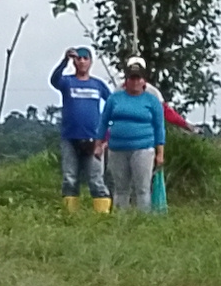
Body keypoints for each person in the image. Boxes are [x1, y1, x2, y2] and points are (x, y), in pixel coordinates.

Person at [47, 47, 112, 212]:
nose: (82, 61)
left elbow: (113, 105)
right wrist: (64, 61)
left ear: (90, 62)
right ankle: (70, 214)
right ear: (74, 62)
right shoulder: (67, 82)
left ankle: (102, 216)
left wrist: (107, 136)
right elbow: (54, 80)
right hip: (70, 138)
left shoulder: (98, 85)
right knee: (69, 178)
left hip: (93, 140)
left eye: (85, 58)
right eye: (79, 58)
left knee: (96, 180)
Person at [100, 64, 168, 215]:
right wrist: (99, 143)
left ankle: (142, 219)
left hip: (143, 147)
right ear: (126, 80)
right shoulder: (115, 98)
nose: (135, 82)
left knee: (142, 188)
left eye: (138, 78)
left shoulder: (152, 101)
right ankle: (121, 218)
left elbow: (159, 128)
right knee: (120, 188)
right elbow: (104, 122)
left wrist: (160, 153)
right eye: (132, 78)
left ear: (144, 81)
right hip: (117, 148)